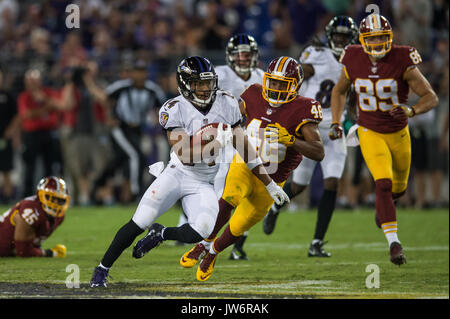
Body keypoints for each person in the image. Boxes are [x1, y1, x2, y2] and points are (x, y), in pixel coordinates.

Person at [90, 56, 289, 287]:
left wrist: (269, 183)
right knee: (139, 221)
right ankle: (102, 270)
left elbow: (245, 148)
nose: (205, 89)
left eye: (208, 83)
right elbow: (185, 154)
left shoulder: (227, 102)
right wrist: (216, 143)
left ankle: (161, 234)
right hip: (178, 174)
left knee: (202, 230)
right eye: (198, 83)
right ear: (185, 83)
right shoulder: (173, 109)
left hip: (204, 181)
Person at [184, 56, 325, 282]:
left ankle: (212, 253)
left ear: (295, 85)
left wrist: (291, 140)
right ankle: (203, 243)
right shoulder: (253, 93)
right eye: (273, 82)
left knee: (239, 226)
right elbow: (231, 118)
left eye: (283, 83)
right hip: (246, 164)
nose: (276, 88)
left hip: (273, 181)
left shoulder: (304, 108)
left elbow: (318, 151)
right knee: (228, 198)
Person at [329, 13, 438, 265]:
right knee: (383, 184)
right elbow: (339, 90)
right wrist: (336, 122)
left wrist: (411, 110)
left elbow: (430, 96)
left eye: (381, 38)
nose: (377, 44)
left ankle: (384, 210)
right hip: (369, 130)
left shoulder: (402, 58)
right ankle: (394, 243)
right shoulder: (353, 57)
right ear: (362, 39)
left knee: (398, 189)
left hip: (399, 132)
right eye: (372, 39)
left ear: (390, 38)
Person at [262, 16, 358, 257]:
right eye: (337, 36)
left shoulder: (356, 59)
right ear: (329, 36)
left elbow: (353, 94)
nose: (340, 40)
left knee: (332, 182)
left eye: (344, 37)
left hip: (335, 127)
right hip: (309, 126)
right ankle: (276, 206)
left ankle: (316, 242)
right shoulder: (317, 55)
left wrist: (353, 118)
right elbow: (297, 74)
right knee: (299, 185)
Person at [176, 33, 264, 260]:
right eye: (239, 54)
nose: (243, 58)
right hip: (218, 135)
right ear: (230, 56)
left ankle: (234, 243)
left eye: (247, 54)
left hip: (247, 137)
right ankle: (191, 227)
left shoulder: (262, 77)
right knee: (216, 188)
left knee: (240, 193)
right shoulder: (219, 73)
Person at [89, 59, 166, 204]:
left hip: (138, 131)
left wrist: (158, 124)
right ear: (132, 74)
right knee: (135, 155)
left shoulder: (152, 90)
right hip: (120, 129)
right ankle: (136, 193)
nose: (139, 75)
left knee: (118, 162)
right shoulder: (122, 87)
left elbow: (163, 109)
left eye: (142, 72)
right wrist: (108, 117)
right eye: (137, 72)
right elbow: (104, 98)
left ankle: (97, 188)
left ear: (146, 73)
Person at [17, 69, 68, 197]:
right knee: (30, 167)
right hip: (31, 134)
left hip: (48, 133)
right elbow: (27, 114)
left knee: (49, 167)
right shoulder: (24, 96)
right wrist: (46, 109)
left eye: (34, 81)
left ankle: (48, 195)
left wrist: (44, 99)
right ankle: (27, 196)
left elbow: (61, 105)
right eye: (29, 81)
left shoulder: (48, 93)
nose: (32, 84)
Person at [0, 176, 69, 258]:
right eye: (51, 198)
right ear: (41, 195)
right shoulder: (31, 211)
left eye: (60, 200)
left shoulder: (59, 217)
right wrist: (50, 253)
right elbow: (23, 252)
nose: (55, 203)